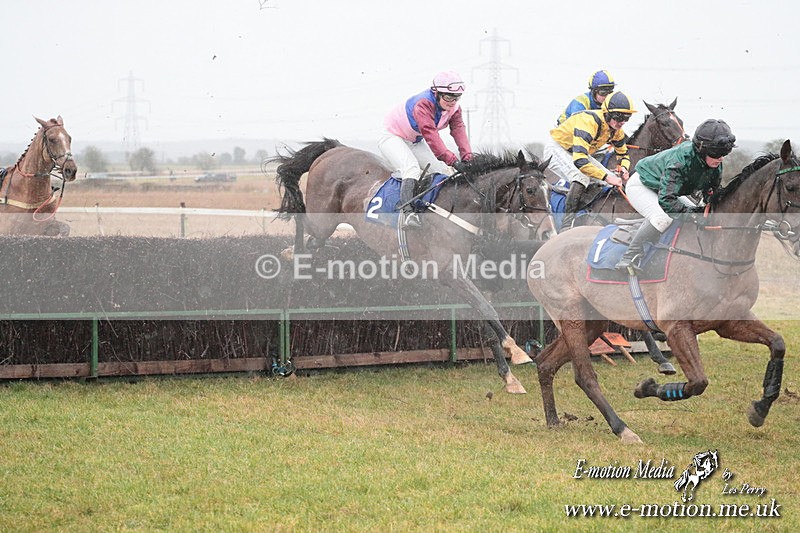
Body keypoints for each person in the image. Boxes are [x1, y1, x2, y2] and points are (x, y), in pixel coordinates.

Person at [614, 119, 736, 271]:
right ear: (701, 149)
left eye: (724, 153)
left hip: (666, 188)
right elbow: (666, 200)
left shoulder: (715, 163)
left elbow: (711, 194)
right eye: (717, 153)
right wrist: (692, 214)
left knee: (699, 213)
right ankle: (627, 258)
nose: (721, 158)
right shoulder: (680, 162)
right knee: (663, 218)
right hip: (641, 184)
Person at [379, 71, 473, 228]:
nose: (453, 102)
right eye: (448, 97)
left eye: (457, 97)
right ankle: (407, 214)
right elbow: (430, 135)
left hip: (413, 140)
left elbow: (459, 130)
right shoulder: (423, 104)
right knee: (411, 169)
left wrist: (468, 157)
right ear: (436, 93)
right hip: (392, 137)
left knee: (441, 172)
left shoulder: (455, 108)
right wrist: (453, 161)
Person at [545, 91, 637, 230]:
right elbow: (580, 161)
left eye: (627, 118)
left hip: (576, 152)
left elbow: (623, 153)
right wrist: (606, 177)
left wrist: (624, 168)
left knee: (611, 179)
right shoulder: (589, 122)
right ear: (608, 113)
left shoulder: (616, 130)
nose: (622, 122)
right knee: (581, 177)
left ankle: (587, 212)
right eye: (620, 117)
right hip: (558, 149)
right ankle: (566, 224)